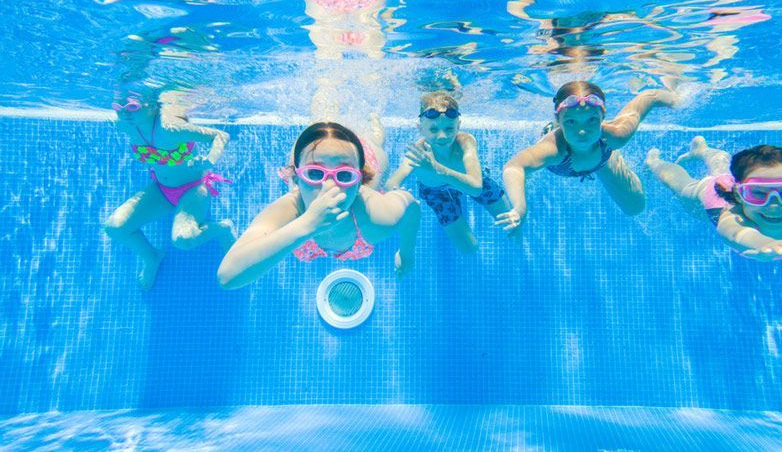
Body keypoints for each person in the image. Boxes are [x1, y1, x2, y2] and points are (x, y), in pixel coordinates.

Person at [217, 120, 419, 289]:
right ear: (296, 179)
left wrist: (406, 254)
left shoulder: (375, 214)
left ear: (360, 181)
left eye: (344, 176)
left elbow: (412, 207)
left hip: (363, 155)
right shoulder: (291, 208)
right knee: (319, 125)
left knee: (375, 140)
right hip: (322, 154)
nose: (329, 187)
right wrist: (308, 224)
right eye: (314, 173)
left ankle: (374, 132)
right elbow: (227, 275)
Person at [646, 139, 782, 287]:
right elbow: (736, 233)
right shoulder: (733, 216)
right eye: (758, 194)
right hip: (716, 198)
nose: (774, 205)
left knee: (723, 169)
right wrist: (765, 243)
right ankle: (655, 163)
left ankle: (702, 150)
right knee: (683, 187)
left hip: (736, 184)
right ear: (739, 193)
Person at [497, 81, 676, 231]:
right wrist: (520, 207)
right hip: (574, 154)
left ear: (603, 116)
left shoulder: (615, 137)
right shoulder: (553, 149)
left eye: (591, 120)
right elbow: (514, 166)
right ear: (558, 120)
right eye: (571, 121)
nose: (582, 131)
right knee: (525, 179)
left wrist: (675, 98)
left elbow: (647, 98)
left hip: (601, 156)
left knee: (635, 207)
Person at [104, 89, 236, 290]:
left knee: (183, 239)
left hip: (193, 189)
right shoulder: (126, 125)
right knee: (115, 228)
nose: (125, 113)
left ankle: (224, 227)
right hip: (161, 190)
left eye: (132, 106)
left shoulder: (170, 128)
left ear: (152, 104)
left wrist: (210, 159)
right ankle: (152, 257)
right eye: (119, 108)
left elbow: (221, 136)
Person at [385, 92, 511, 252]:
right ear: (421, 128)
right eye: (434, 129)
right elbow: (392, 183)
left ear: (458, 126)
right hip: (437, 194)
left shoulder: (465, 142)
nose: (442, 135)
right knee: (469, 248)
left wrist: (438, 170)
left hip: (469, 181)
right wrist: (399, 196)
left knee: (512, 222)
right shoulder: (419, 152)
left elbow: (476, 187)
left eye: (449, 128)